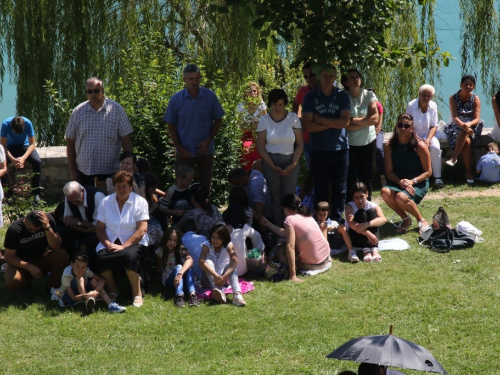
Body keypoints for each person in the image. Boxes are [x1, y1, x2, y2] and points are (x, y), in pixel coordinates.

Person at [302, 64, 351, 223]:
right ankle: (321, 220)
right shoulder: (310, 97)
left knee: (340, 188)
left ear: (335, 77)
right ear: (319, 76)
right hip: (319, 150)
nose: (327, 79)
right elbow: (307, 126)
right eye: (324, 76)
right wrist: (333, 123)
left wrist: (320, 119)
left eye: (330, 76)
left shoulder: (342, 96)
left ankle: (336, 221)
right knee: (321, 189)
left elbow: (345, 122)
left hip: (340, 149)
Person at [164, 64, 225, 191]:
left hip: (205, 151)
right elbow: (170, 126)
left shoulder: (210, 96)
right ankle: (182, 210)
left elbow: (218, 119)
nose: (194, 82)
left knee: (204, 188)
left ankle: (203, 210)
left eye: (197, 78)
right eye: (191, 79)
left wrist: (208, 140)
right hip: (184, 151)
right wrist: (180, 148)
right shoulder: (176, 100)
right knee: (182, 188)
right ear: (184, 80)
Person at [95, 171, 149, 308]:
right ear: (114, 187)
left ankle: (137, 293)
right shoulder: (105, 202)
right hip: (110, 240)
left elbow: (142, 229)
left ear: (131, 187)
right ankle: (113, 290)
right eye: (118, 186)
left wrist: (124, 246)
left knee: (129, 257)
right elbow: (100, 228)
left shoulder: (140, 202)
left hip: (133, 241)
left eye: (125, 186)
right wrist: (107, 243)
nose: (121, 189)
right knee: (102, 258)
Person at [66, 77, 133, 186]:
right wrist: (73, 170)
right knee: (87, 202)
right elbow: (70, 142)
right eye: (89, 91)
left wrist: (128, 167)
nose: (93, 94)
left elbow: (126, 141)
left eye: (96, 91)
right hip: (84, 171)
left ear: (103, 91)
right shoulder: (78, 112)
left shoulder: (117, 110)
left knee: (112, 202)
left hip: (111, 171)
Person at [256, 88, 303, 226]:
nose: (277, 107)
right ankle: (277, 230)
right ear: (270, 104)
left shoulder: (293, 118)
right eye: (274, 104)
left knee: (288, 198)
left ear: (285, 104)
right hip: (271, 161)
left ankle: (290, 229)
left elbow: (300, 144)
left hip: (290, 160)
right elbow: (260, 147)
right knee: (275, 198)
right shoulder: (264, 120)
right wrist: (272, 166)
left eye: (280, 104)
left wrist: (294, 164)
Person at [261, 194, 331, 283]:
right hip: (325, 259)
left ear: (286, 208)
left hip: (313, 264)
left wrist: (292, 275)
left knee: (281, 248)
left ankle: (290, 271)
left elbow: (290, 247)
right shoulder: (307, 215)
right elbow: (284, 233)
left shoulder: (290, 219)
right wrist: (268, 224)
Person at [381, 113, 431, 235]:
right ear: (396, 127)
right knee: (385, 192)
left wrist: (411, 182)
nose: (403, 128)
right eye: (400, 125)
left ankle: (421, 220)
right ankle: (406, 219)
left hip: (418, 181)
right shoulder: (389, 146)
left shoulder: (420, 146)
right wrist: (400, 183)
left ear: (412, 128)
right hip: (398, 180)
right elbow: (389, 172)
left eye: (406, 126)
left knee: (400, 197)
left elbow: (428, 172)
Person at [4, 210, 68, 292]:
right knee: (13, 283)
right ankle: (25, 282)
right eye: (30, 229)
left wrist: (47, 227)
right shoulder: (14, 229)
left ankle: (52, 285)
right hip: (21, 263)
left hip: (42, 258)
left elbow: (56, 246)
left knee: (62, 254)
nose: (33, 232)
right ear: (26, 220)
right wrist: (30, 267)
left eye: (37, 230)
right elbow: (9, 257)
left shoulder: (48, 221)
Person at [345, 68, 379, 200]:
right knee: (350, 178)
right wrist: (365, 122)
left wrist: (352, 121)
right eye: (352, 77)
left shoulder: (369, 95)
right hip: (350, 144)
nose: (355, 79)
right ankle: (350, 207)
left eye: (357, 76)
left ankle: (367, 205)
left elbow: (374, 119)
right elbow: (344, 125)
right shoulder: (344, 97)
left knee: (366, 177)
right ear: (346, 82)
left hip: (368, 142)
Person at [444, 74, 484, 183]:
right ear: (461, 85)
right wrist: (464, 126)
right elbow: (455, 117)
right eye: (466, 84)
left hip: (472, 125)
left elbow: (476, 118)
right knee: (466, 141)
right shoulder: (453, 98)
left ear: (473, 87)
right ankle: (469, 173)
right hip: (457, 124)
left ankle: (454, 158)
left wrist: (469, 125)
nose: (468, 86)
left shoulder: (475, 98)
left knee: (465, 133)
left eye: (471, 85)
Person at [58, 252, 126, 313]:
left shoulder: (86, 271)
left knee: (94, 281)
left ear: (86, 267)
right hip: (68, 297)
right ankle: (87, 302)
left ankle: (110, 305)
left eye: (83, 267)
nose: (80, 270)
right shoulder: (66, 275)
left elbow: (102, 280)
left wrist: (95, 291)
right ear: (72, 264)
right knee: (79, 278)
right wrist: (88, 295)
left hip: (83, 293)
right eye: (77, 266)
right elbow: (72, 297)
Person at [199, 223, 246, 306]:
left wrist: (224, 276)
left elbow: (234, 260)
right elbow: (201, 262)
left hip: (223, 279)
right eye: (213, 237)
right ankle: (217, 290)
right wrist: (215, 276)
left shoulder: (228, 245)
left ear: (224, 238)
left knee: (230, 265)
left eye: (218, 238)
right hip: (209, 279)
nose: (215, 240)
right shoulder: (206, 245)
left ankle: (237, 295)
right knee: (208, 262)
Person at [406, 84, 443, 188]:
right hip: (413, 134)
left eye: (429, 96)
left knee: (435, 148)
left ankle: (437, 178)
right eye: (424, 95)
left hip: (428, 134)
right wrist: (417, 138)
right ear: (419, 94)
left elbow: (434, 126)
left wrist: (428, 140)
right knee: (417, 148)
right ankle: (418, 177)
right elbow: (408, 124)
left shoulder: (433, 106)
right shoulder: (411, 105)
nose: (426, 98)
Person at [341, 182, 387, 263]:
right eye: (356, 197)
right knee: (361, 213)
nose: (360, 200)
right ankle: (366, 250)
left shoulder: (372, 205)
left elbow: (383, 219)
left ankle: (374, 249)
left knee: (371, 212)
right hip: (356, 237)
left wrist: (366, 224)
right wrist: (368, 233)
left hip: (372, 237)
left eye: (362, 197)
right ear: (353, 197)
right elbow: (351, 224)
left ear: (367, 194)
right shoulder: (349, 206)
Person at [1, 116, 43, 200]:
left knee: (37, 162)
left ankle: (36, 194)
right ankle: (9, 195)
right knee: (2, 164)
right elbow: (2, 145)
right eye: (15, 132)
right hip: (10, 147)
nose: (17, 134)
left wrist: (23, 158)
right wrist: (12, 159)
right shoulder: (5, 124)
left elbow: (32, 144)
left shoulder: (28, 123)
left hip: (25, 146)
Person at [59, 181, 105, 257]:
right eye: (71, 201)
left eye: (76, 199)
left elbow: (99, 225)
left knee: (92, 240)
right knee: (62, 233)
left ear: (82, 191)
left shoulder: (97, 196)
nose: (73, 203)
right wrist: (85, 230)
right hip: (82, 229)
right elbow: (68, 222)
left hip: (97, 231)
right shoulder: (69, 198)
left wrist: (78, 222)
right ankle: (71, 261)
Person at [155, 228, 199, 307]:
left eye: (175, 240)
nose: (172, 242)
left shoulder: (181, 249)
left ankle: (192, 295)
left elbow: (190, 260)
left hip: (181, 278)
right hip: (169, 281)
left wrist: (180, 274)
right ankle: (179, 296)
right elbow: (159, 267)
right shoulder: (160, 251)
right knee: (179, 266)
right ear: (165, 239)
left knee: (187, 267)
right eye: (170, 239)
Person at [223, 202, 265, 276]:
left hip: (225, 270)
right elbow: (258, 238)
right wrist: (254, 252)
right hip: (242, 270)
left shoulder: (221, 227)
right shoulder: (245, 228)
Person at [292, 62, 320, 170]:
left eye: (311, 75)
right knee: (311, 172)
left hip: (325, 137)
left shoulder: (326, 90)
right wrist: (298, 118)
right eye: (306, 76)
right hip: (308, 139)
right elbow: (295, 103)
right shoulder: (303, 91)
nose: (309, 78)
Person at [236, 81, 267, 170]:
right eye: (250, 91)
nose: (252, 93)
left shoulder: (261, 105)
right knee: (247, 151)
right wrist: (255, 125)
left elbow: (265, 124)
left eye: (254, 91)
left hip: (261, 136)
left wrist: (249, 125)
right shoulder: (240, 107)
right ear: (245, 93)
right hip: (246, 137)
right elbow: (239, 127)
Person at [366, 88, 387, 187]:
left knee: (378, 149)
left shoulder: (378, 105)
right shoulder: (362, 105)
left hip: (377, 132)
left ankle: (382, 177)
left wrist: (374, 134)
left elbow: (379, 125)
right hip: (364, 132)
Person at [143, 172, 164, 247]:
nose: (154, 190)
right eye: (152, 187)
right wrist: (152, 208)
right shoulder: (141, 198)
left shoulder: (152, 196)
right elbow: (142, 215)